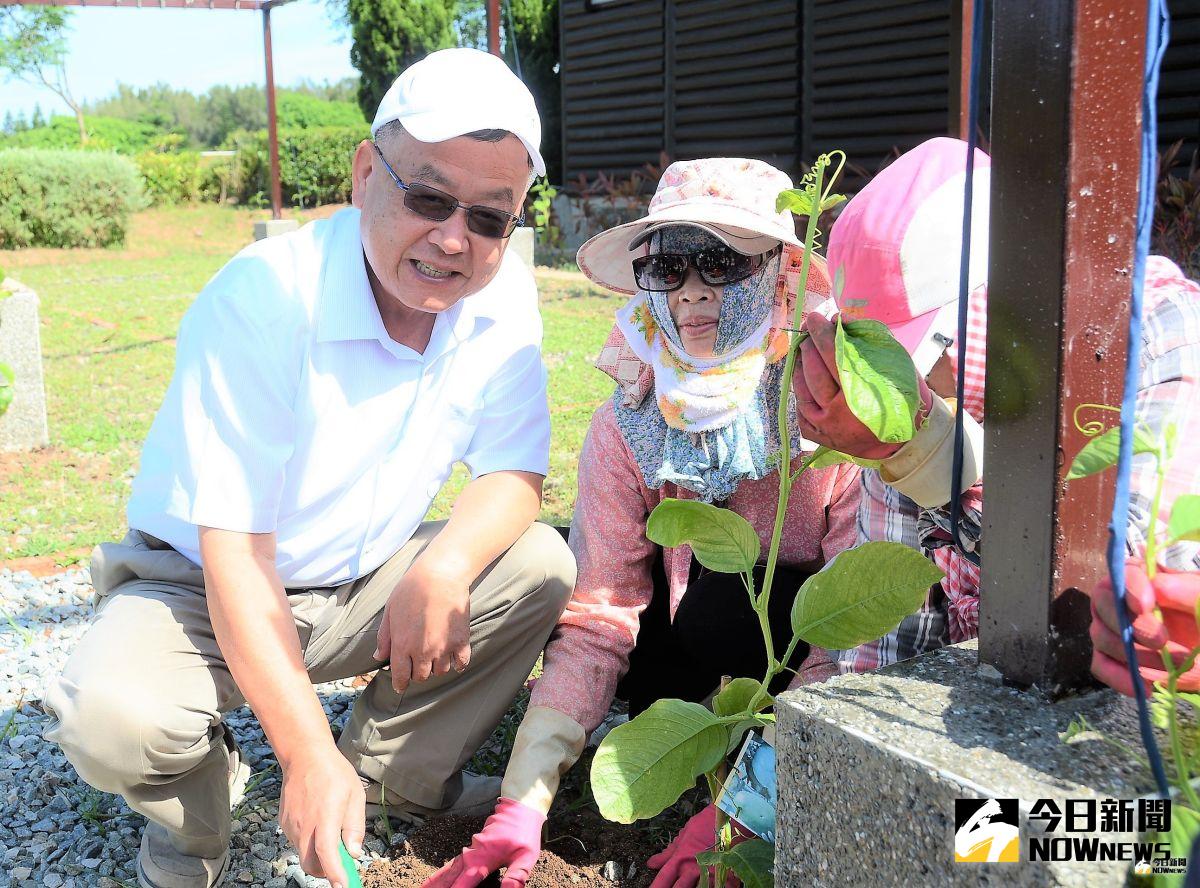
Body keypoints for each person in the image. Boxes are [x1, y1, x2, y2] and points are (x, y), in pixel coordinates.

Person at [40, 48, 576, 888]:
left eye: (487, 218)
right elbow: (236, 556)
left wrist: (442, 567)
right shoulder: (265, 298)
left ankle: (384, 780)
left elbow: (514, 472)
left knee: (539, 562)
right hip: (204, 589)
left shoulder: (500, 298)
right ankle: (196, 821)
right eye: (429, 197)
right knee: (112, 717)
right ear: (367, 172)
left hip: (360, 579)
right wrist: (301, 750)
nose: (451, 239)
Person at [425, 158, 861, 888]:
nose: (691, 291)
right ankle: (707, 725)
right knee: (684, 623)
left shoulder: (829, 405)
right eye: (669, 267)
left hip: (806, 647)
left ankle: (763, 747)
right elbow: (600, 610)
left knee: (763, 604)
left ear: (778, 271)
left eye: (720, 264)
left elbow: (861, 632)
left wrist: (752, 803)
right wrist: (522, 799)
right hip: (688, 639)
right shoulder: (629, 421)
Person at [790, 137, 1200, 682]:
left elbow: (1117, 592)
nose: (906, 386)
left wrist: (929, 456)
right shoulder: (908, 406)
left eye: (921, 352)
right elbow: (890, 621)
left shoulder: (1158, 335)